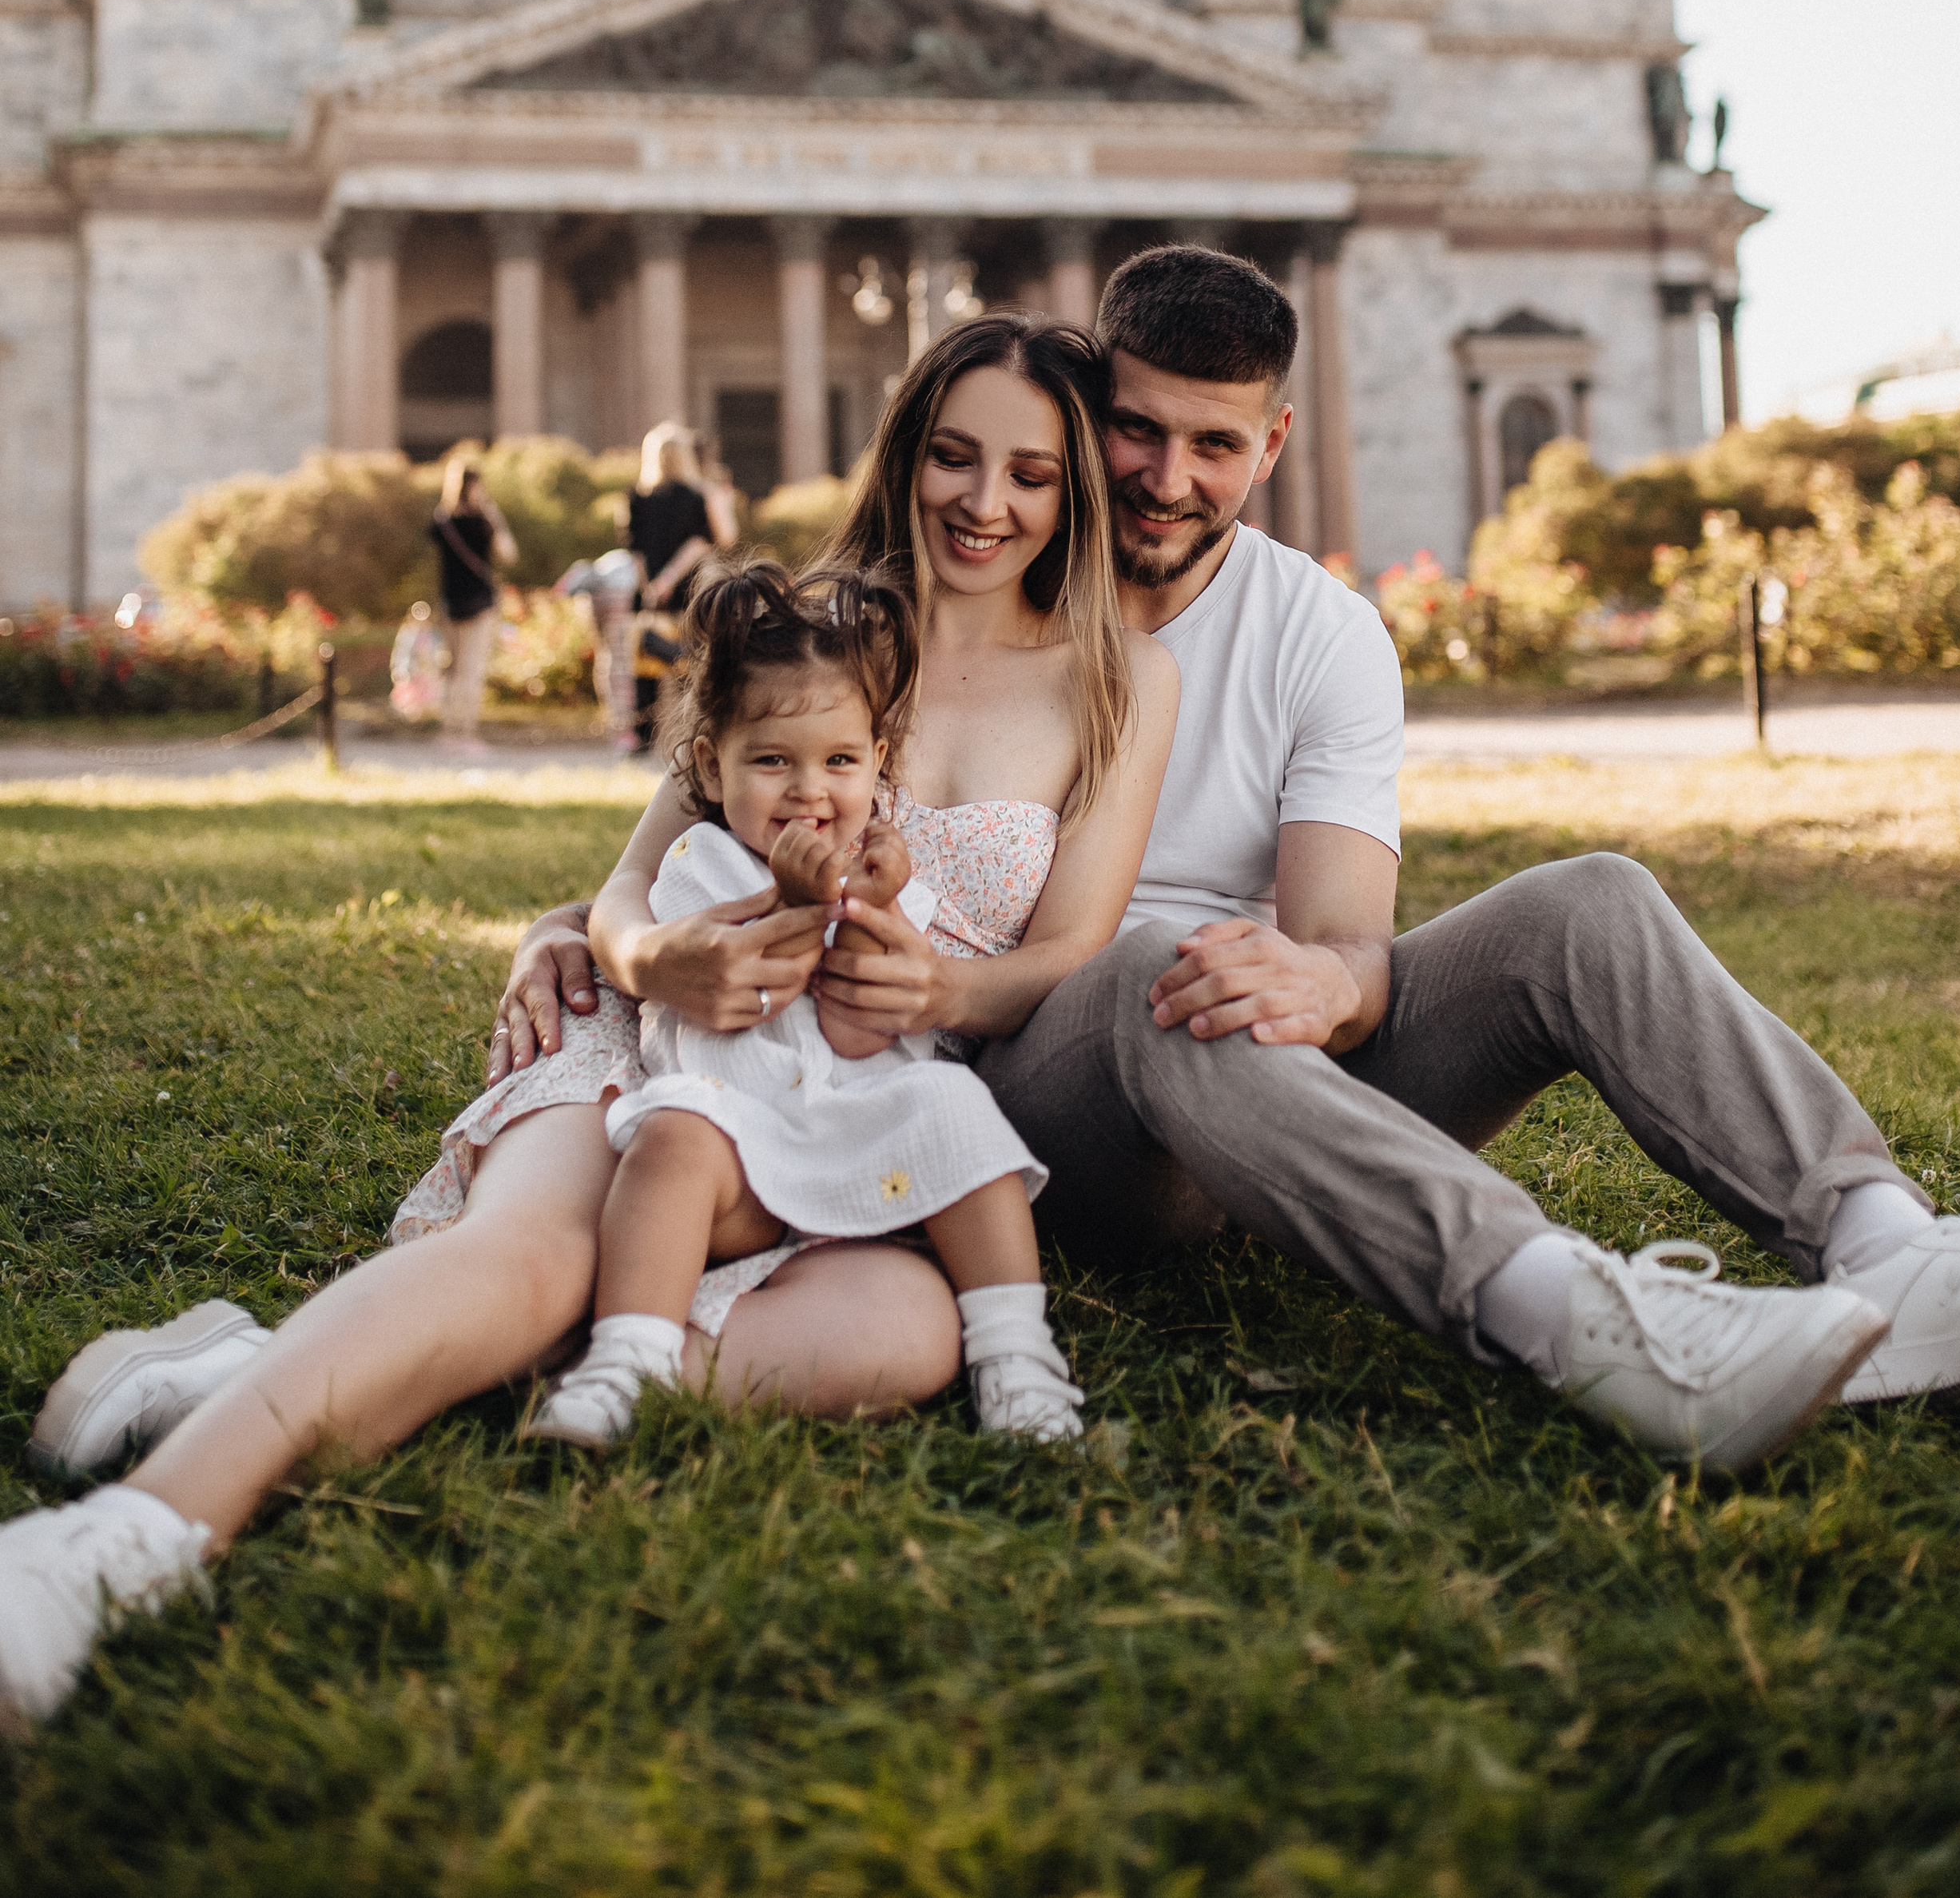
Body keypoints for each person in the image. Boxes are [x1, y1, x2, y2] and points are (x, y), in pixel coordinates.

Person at [493, 247, 1960, 1464]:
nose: (1166, 478)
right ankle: (1583, 1322)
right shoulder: (927, 618)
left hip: (1286, 1063)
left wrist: (1314, 976)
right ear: (1082, 414)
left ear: (1271, 445)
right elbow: (748, 814)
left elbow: (1351, 951)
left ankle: (1883, 1245)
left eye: (1213, 446)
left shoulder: (1318, 637)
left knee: (1589, 901)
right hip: (1062, 1102)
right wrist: (588, 927)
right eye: (1134, 433)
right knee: (1165, 978)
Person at [0, 315, 1175, 1725]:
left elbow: (1073, 947)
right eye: (954, 455)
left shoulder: (1121, 673)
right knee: (542, 1259)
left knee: (914, 1331)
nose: (986, 503)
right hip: (671, 1050)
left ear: (1073, 494)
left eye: (1032, 474)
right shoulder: (809, 624)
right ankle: (124, 1541)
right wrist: (643, 953)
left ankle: (259, 1368)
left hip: (855, 1103)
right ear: (908, 453)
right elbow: (628, 886)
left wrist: (943, 989)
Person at [529, 561, 1081, 1448]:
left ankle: (1015, 1357)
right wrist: (792, 908)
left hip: (860, 1149)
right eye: (772, 762)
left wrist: (875, 907)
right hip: (738, 1160)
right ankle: (625, 1357)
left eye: (838, 762)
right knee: (675, 1132)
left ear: (878, 764)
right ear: (712, 767)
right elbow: (749, 998)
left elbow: (857, 1029)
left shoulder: (885, 877)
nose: (809, 790)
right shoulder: (699, 868)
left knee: (951, 1104)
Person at [626, 424, 739, 753]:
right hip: (686, 589)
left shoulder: (638, 496)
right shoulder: (696, 495)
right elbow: (703, 542)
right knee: (686, 662)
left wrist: (650, 583)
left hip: (651, 591)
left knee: (646, 664)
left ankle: (643, 735)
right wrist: (666, 581)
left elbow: (634, 547)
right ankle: (687, 732)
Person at [427, 456, 517, 750]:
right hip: (478, 603)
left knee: (452, 671)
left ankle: (449, 733)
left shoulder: (441, 523)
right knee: (470, 671)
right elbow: (509, 555)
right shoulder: (482, 522)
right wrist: (494, 516)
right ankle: (464, 734)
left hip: (450, 603)